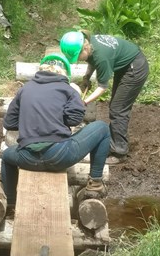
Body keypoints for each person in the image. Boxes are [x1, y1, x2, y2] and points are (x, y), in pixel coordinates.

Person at [1, 53, 111, 208]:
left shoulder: (24, 90)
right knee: (102, 128)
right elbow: (74, 120)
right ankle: (95, 184)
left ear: (41, 70)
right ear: (64, 73)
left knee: (6, 157)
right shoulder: (68, 90)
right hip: (60, 155)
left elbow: (9, 122)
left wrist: (31, 121)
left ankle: (11, 204)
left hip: (28, 159)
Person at [60, 30, 149, 163]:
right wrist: (86, 78)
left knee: (118, 109)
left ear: (85, 48)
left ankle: (119, 151)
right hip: (126, 65)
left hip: (135, 68)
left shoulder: (101, 56)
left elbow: (102, 87)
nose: (78, 60)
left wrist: (84, 102)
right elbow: (92, 61)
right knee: (117, 106)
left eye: (78, 57)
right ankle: (114, 142)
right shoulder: (90, 43)